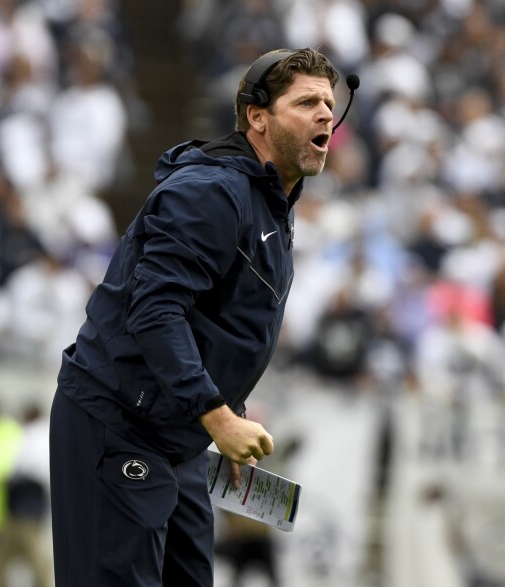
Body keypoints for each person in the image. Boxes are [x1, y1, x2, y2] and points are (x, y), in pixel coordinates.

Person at [49, 47, 341, 586]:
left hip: (177, 435)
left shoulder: (269, 202)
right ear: (258, 116)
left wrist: (226, 409)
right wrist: (217, 414)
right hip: (119, 423)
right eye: (306, 102)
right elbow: (155, 310)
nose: (326, 112)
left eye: (329, 102)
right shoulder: (211, 191)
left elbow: (217, 324)